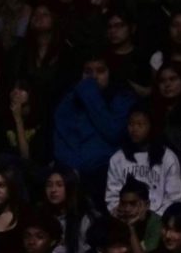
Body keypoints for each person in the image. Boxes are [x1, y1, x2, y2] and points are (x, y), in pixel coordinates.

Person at [53, 54, 136, 204]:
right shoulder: (70, 98)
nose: (94, 77)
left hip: (104, 173)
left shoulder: (122, 98)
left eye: (100, 71)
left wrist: (89, 92)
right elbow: (62, 139)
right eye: (88, 72)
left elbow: (113, 132)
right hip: (71, 171)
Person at [103, 105, 181, 215]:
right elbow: (112, 198)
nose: (134, 129)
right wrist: (125, 215)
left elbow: (174, 197)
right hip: (125, 218)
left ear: (151, 126)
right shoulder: (118, 158)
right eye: (131, 124)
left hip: (158, 220)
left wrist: (154, 219)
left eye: (140, 124)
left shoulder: (168, 157)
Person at [114, 177, 162, 253]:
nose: (127, 209)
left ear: (147, 205)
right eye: (123, 203)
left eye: (133, 204)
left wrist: (131, 227)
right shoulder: (117, 219)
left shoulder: (156, 223)